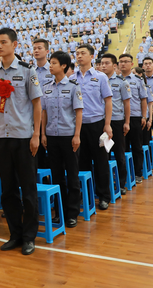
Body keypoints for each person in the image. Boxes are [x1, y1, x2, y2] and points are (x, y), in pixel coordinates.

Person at [0, 28, 42, 256]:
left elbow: (37, 104)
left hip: (23, 137)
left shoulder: (28, 71)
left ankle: (29, 237)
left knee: (28, 189)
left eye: (3, 42)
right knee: (7, 190)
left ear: (15, 45)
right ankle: (14, 234)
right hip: (2, 138)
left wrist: (36, 134)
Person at [40, 51, 83, 227]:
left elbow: (78, 112)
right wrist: (43, 134)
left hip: (68, 136)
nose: (50, 66)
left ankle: (72, 213)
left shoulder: (74, 87)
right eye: (50, 63)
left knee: (72, 176)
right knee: (57, 176)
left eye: (54, 63)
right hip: (51, 136)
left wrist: (77, 135)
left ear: (63, 66)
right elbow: (43, 112)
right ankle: (59, 212)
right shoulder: (46, 87)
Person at [71, 43, 113, 210]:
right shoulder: (71, 78)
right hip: (78, 127)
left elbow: (108, 101)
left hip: (97, 125)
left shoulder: (101, 77)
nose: (79, 56)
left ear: (91, 56)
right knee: (82, 163)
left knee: (101, 162)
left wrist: (107, 125)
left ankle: (103, 196)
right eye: (77, 53)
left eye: (83, 53)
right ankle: (86, 196)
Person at [99, 53, 131, 195]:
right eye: (101, 63)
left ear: (114, 66)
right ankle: (105, 184)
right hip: (101, 121)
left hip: (116, 121)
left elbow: (126, 103)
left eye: (106, 63)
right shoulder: (97, 80)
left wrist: (127, 122)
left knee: (118, 153)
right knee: (103, 154)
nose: (103, 66)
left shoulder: (121, 82)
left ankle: (121, 183)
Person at [118, 54, 148, 184]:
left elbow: (143, 99)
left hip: (135, 117)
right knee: (122, 149)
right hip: (119, 118)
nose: (123, 64)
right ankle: (124, 175)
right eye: (121, 62)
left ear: (132, 64)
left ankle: (137, 173)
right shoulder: (114, 80)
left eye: (126, 62)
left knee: (136, 147)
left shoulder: (138, 80)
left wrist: (144, 116)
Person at [32, 38, 54, 170]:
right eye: (34, 48)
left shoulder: (53, 70)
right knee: (36, 152)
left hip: (50, 116)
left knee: (51, 153)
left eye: (39, 48)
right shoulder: (30, 71)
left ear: (47, 51)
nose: (36, 51)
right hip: (33, 116)